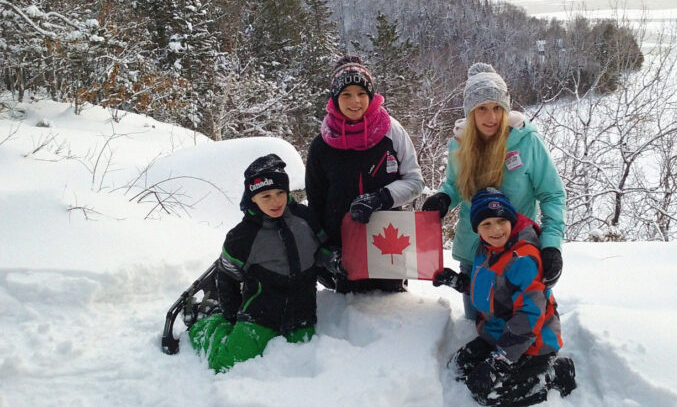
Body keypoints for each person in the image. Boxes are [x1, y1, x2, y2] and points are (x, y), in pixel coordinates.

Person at [422, 62, 565, 319]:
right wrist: (445, 197)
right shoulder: (459, 145)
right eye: (482, 109)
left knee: (519, 327)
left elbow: (552, 194)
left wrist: (551, 245)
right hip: (473, 252)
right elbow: (455, 185)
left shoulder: (526, 142)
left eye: (498, 108)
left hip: (516, 254)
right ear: (470, 113)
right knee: (477, 327)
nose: (492, 118)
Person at [433, 188, 576, 406]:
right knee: (458, 368)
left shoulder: (524, 258)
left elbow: (528, 317)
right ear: (477, 229)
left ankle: (556, 373)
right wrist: (459, 282)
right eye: (486, 224)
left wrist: (499, 362)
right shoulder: (485, 248)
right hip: (499, 334)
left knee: (489, 396)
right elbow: (493, 289)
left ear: (511, 219)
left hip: (533, 341)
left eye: (501, 220)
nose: (496, 230)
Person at [188, 154, 327, 373]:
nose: (276, 201)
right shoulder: (242, 237)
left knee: (302, 355)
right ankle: (206, 323)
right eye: (266, 196)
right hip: (260, 316)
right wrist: (231, 316)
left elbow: (323, 248)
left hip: (301, 315)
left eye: (281, 193)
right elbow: (226, 277)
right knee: (225, 364)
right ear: (252, 198)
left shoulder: (306, 218)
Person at [306, 55, 425, 293]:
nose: (355, 101)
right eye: (346, 94)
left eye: (361, 93)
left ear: (371, 96)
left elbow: (415, 181)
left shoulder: (392, 130)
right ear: (334, 98)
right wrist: (325, 249)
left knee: (392, 311)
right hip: (342, 248)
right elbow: (316, 203)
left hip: (388, 245)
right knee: (347, 316)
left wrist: (381, 198)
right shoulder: (321, 145)